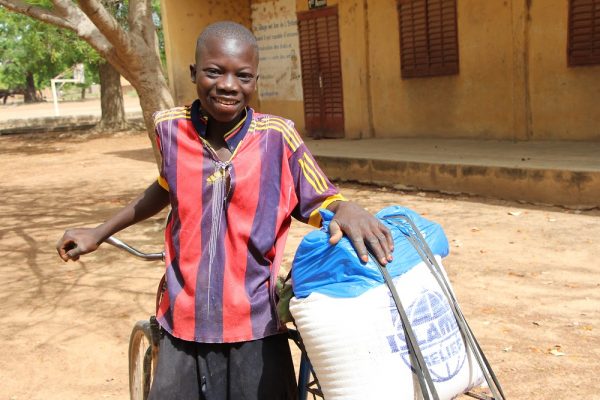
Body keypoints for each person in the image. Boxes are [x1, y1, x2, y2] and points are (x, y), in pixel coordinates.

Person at [56, 21, 393, 400]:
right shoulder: (170, 129)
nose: (228, 85)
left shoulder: (277, 137)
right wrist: (98, 233)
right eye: (214, 71)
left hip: (254, 323)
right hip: (183, 319)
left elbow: (320, 199)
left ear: (255, 79)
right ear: (194, 73)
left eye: (243, 75)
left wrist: (345, 207)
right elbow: (167, 186)